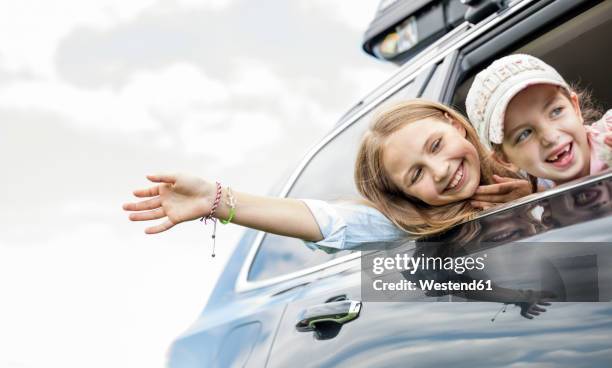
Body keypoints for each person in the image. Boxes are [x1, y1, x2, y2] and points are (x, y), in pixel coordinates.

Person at [123, 100, 532, 253]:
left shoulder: (532, 158)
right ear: (406, 197)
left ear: (453, 124)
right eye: (416, 175)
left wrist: (535, 192)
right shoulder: (421, 224)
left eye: (436, 145)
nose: (442, 171)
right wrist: (218, 199)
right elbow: (331, 221)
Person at [466, 54, 612, 188]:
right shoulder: (545, 210)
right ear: (504, 159)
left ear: (575, 108)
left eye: (556, 111)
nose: (550, 137)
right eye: (524, 134)